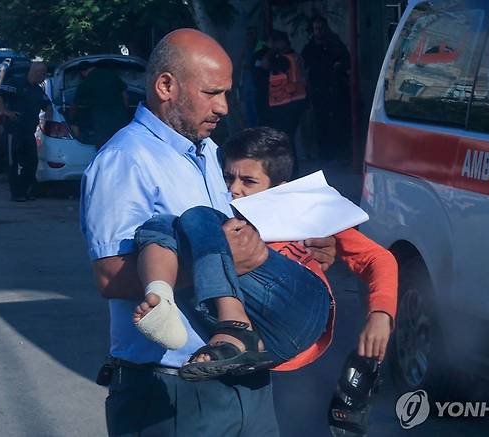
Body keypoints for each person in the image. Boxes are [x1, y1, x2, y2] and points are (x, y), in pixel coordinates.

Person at [80, 29, 336, 437]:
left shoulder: (211, 152)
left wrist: (300, 246)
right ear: (166, 86)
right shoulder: (125, 161)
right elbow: (112, 277)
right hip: (173, 387)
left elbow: (231, 240)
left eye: (227, 94)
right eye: (212, 93)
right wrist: (219, 265)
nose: (223, 107)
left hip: (243, 368)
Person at [132, 126, 398, 381]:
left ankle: (232, 323)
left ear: (279, 186)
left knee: (198, 216)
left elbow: (378, 258)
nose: (234, 189)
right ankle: (163, 300)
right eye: (228, 178)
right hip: (268, 339)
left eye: (248, 181)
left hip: (301, 308)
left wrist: (380, 315)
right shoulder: (229, 216)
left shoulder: (302, 208)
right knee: (162, 224)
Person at [0, 61, 51, 201]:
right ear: (36, 72)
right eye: (43, 73)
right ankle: (17, 194)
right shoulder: (15, 83)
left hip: (28, 131)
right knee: (13, 163)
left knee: (31, 162)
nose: (43, 76)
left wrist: (49, 117)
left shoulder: (38, 90)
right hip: (13, 130)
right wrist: (5, 111)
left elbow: (47, 105)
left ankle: (26, 191)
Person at [301, 15, 351, 161]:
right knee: (320, 124)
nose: (319, 31)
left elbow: (346, 62)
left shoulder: (335, 44)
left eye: (321, 28)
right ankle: (325, 155)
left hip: (337, 89)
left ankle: (341, 154)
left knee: (339, 123)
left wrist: (338, 66)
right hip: (319, 91)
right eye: (316, 29)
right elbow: (306, 68)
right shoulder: (309, 48)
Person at [263, 30, 306, 174]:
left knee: (286, 139)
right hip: (295, 100)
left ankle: (291, 171)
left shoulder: (285, 59)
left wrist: (270, 51)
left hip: (287, 102)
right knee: (289, 138)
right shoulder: (294, 56)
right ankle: (293, 171)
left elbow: (266, 64)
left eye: (272, 42)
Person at [72, 61, 130, 148]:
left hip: (101, 120)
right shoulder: (111, 75)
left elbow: (75, 106)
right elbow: (125, 96)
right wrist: (126, 112)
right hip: (120, 117)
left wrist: (73, 120)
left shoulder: (85, 83)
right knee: (122, 143)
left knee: (104, 146)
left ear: (82, 72)